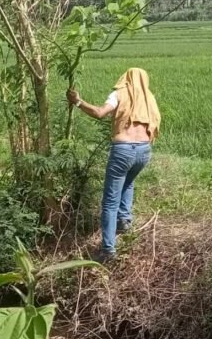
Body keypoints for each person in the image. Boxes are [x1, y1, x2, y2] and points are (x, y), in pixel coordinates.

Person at [67, 68, 161, 261]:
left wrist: (77, 101)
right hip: (144, 151)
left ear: (126, 78)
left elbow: (100, 113)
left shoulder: (119, 94)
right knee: (128, 181)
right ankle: (124, 221)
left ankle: (108, 249)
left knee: (110, 202)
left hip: (123, 150)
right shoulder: (149, 97)